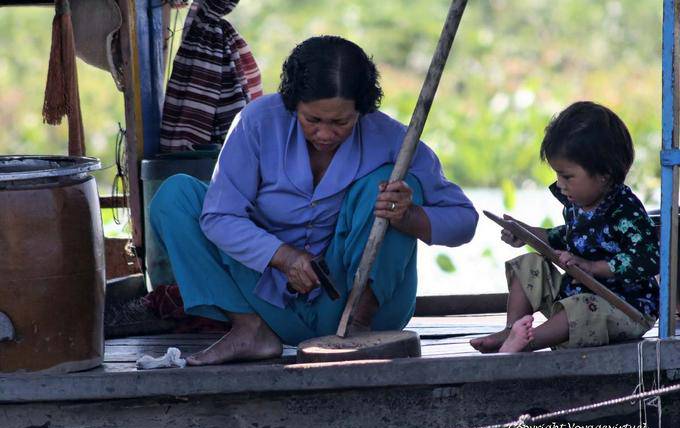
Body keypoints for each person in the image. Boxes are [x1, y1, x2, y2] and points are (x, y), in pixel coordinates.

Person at [150, 35, 478, 366]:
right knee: (174, 196)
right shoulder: (257, 123)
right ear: (293, 105)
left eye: (340, 122)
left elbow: (465, 221)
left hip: (369, 314)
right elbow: (220, 217)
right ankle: (250, 330)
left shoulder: (393, 139)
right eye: (312, 120)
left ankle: (358, 323)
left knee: (387, 186)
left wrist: (409, 216)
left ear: (361, 110)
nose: (324, 134)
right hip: (270, 305)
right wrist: (283, 257)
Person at [471, 101, 659, 353]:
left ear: (604, 174)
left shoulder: (625, 211)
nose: (560, 184)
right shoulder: (577, 205)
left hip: (624, 309)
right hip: (575, 295)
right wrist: (525, 232)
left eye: (567, 176)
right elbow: (562, 237)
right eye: (557, 175)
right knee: (529, 264)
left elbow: (647, 258)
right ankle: (512, 329)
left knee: (583, 307)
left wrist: (593, 267)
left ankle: (527, 341)